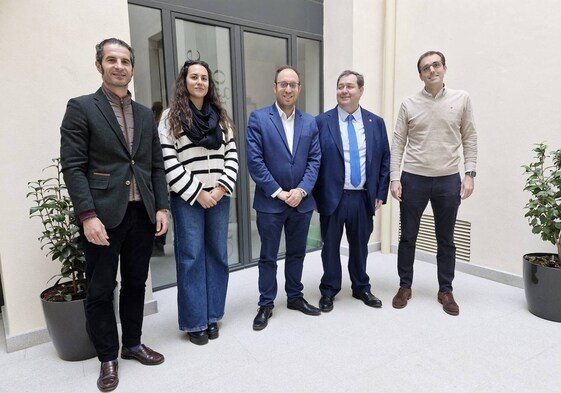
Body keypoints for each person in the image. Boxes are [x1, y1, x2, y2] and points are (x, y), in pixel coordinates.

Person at [60, 38, 169, 392]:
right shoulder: (81, 108)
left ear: (132, 68)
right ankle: (108, 357)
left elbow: (154, 165)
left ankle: (133, 343)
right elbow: (74, 167)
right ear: (99, 66)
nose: (119, 66)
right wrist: (87, 215)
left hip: (141, 213)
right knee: (101, 289)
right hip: (103, 215)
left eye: (125, 60)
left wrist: (162, 207)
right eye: (111, 60)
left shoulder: (143, 114)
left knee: (137, 283)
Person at [390, 50, 478, 316]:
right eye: (425, 68)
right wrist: (395, 178)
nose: (431, 71)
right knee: (407, 237)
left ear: (444, 68)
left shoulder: (462, 99)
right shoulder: (409, 103)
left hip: (448, 180)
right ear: (420, 74)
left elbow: (470, 137)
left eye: (435, 65)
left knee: (446, 239)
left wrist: (469, 173)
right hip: (413, 179)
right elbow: (398, 143)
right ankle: (405, 286)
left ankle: (445, 290)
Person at [159, 60, 238, 345]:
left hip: (219, 196)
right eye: (194, 77)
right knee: (191, 258)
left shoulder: (222, 118)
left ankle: (213, 315)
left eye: (204, 77)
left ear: (209, 84)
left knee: (217, 255)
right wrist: (197, 192)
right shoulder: (170, 118)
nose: (200, 82)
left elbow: (232, 156)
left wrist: (220, 188)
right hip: (187, 199)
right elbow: (169, 162)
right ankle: (195, 321)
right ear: (185, 81)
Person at [247, 65, 321, 331]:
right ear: (274, 87)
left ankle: (294, 297)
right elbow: (255, 162)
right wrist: (279, 192)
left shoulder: (310, 122)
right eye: (283, 84)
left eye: (293, 84)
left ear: (299, 89)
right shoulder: (258, 119)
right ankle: (266, 303)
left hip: (301, 203)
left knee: (297, 253)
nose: (288, 89)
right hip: (270, 203)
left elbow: (315, 160)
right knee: (268, 256)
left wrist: (301, 191)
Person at [313, 70, 390, 312]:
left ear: (360, 90)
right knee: (330, 247)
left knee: (360, 246)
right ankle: (329, 290)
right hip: (332, 197)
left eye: (349, 86)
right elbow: (313, 161)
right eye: (340, 86)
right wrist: (314, 195)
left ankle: (361, 287)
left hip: (362, 197)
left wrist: (380, 192)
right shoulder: (321, 122)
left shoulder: (375, 123)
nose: (344, 91)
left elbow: (385, 159)